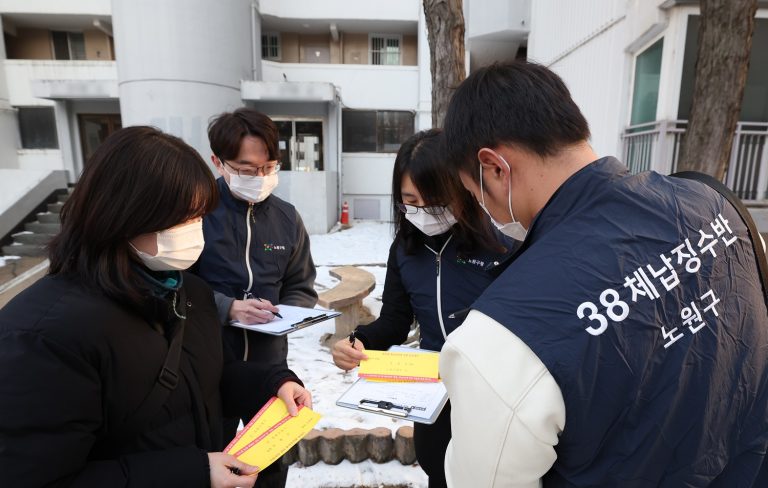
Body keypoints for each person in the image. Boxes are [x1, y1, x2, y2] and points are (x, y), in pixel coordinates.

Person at [438, 60, 768, 487]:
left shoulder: (499, 337)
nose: (487, 209)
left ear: (496, 168)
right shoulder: (718, 207)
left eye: (474, 193)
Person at [0, 126, 311, 488]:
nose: (195, 232)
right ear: (123, 214)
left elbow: (203, 382)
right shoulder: (43, 336)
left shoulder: (187, 291)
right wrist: (192, 473)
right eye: (182, 218)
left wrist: (272, 383)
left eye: (199, 217)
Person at [331, 129, 515, 488]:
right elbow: (396, 321)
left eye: (434, 201)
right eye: (410, 201)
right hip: (432, 396)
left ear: (461, 190)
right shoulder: (406, 247)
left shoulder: (499, 243)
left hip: (492, 397)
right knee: (439, 473)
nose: (422, 212)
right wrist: (359, 341)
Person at [193, 108, 317, 488]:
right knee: (214, 459)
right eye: (246, 170)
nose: (259, 178)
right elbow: (177, 283)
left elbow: (302, 283)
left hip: (269, 368)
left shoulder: (286, 217)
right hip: (208, 366)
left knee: (270, 465)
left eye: (268, 168)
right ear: (218, 162)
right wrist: (227, 308)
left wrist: (285, 313)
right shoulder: (196, 211)